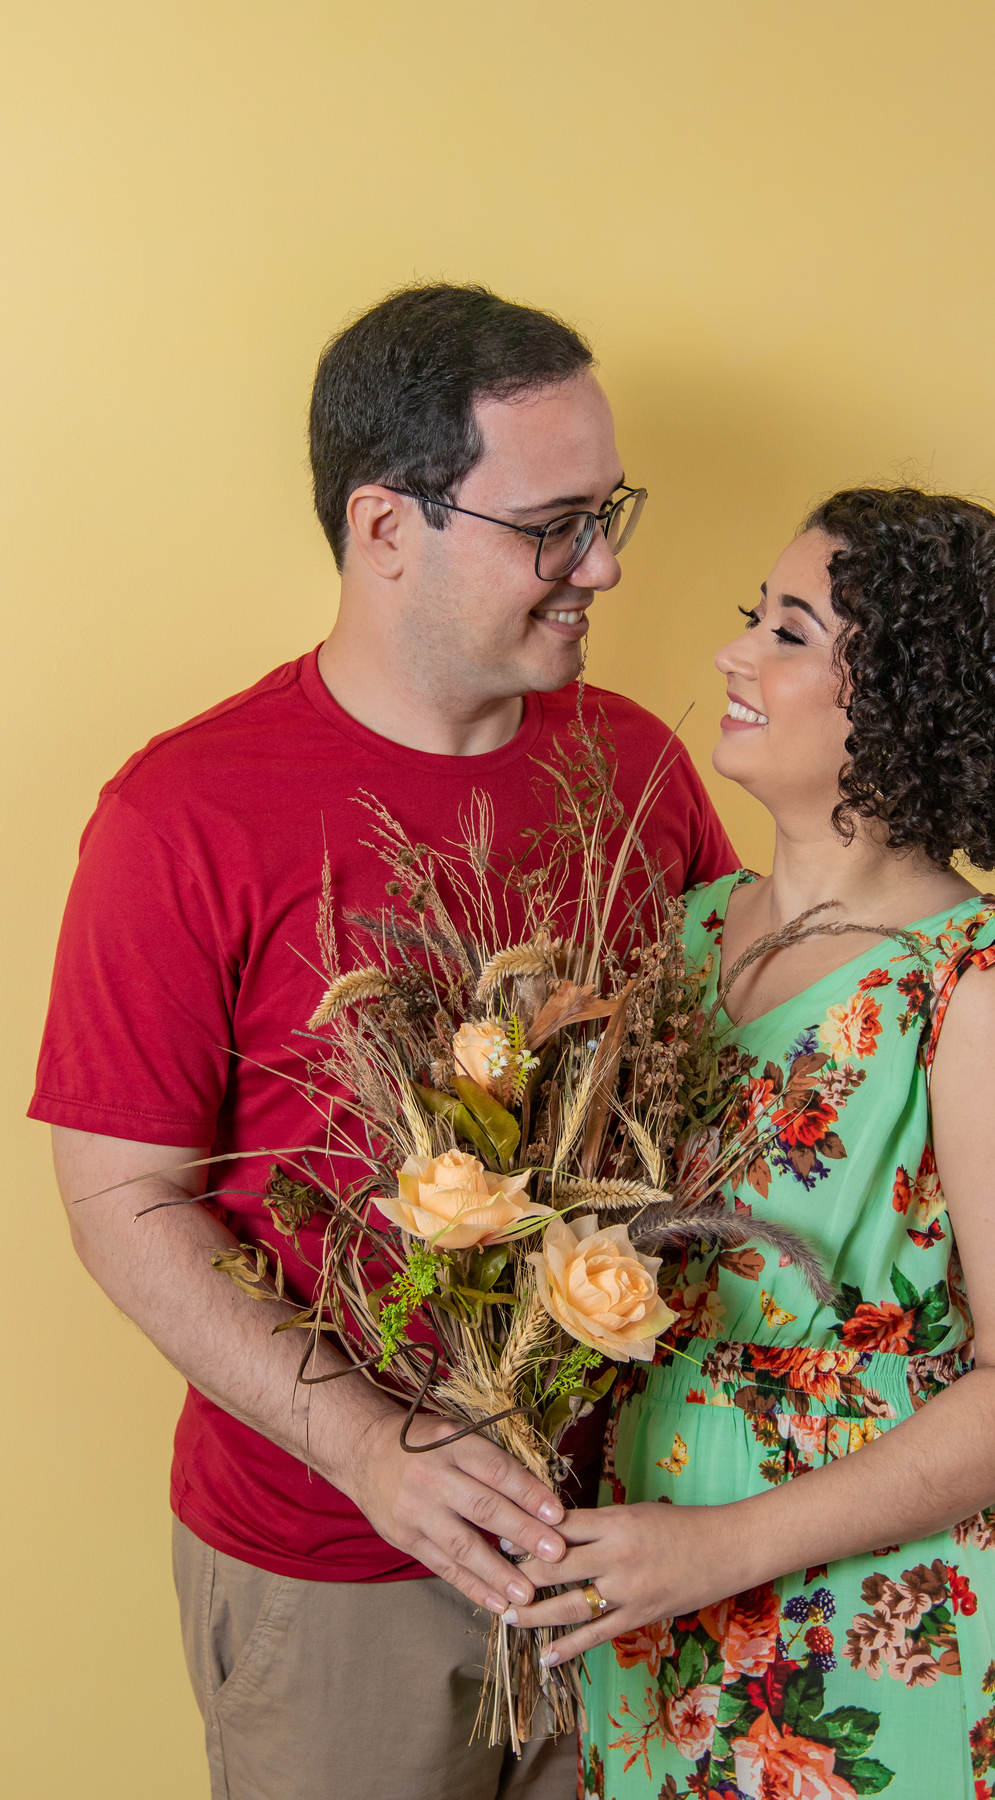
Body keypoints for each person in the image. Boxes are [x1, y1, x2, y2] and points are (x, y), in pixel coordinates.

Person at [30, 283, 737, 1800]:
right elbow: (119, 1201)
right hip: (332, 1573)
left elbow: (723, 1107)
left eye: (607, 511)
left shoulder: (641, 768)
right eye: (553, 524)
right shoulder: (181, 816)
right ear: (385, 526)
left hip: (632, 1561)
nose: (602, 564)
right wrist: (366, 1447)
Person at [499, 487, 995, 1800]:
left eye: (786, 630)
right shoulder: (687, 931)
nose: (733, 655)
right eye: (751, 621)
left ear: (895, 695)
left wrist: (718, 1550)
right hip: (656, 1632)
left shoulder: (988, 987)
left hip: (883, 1641)